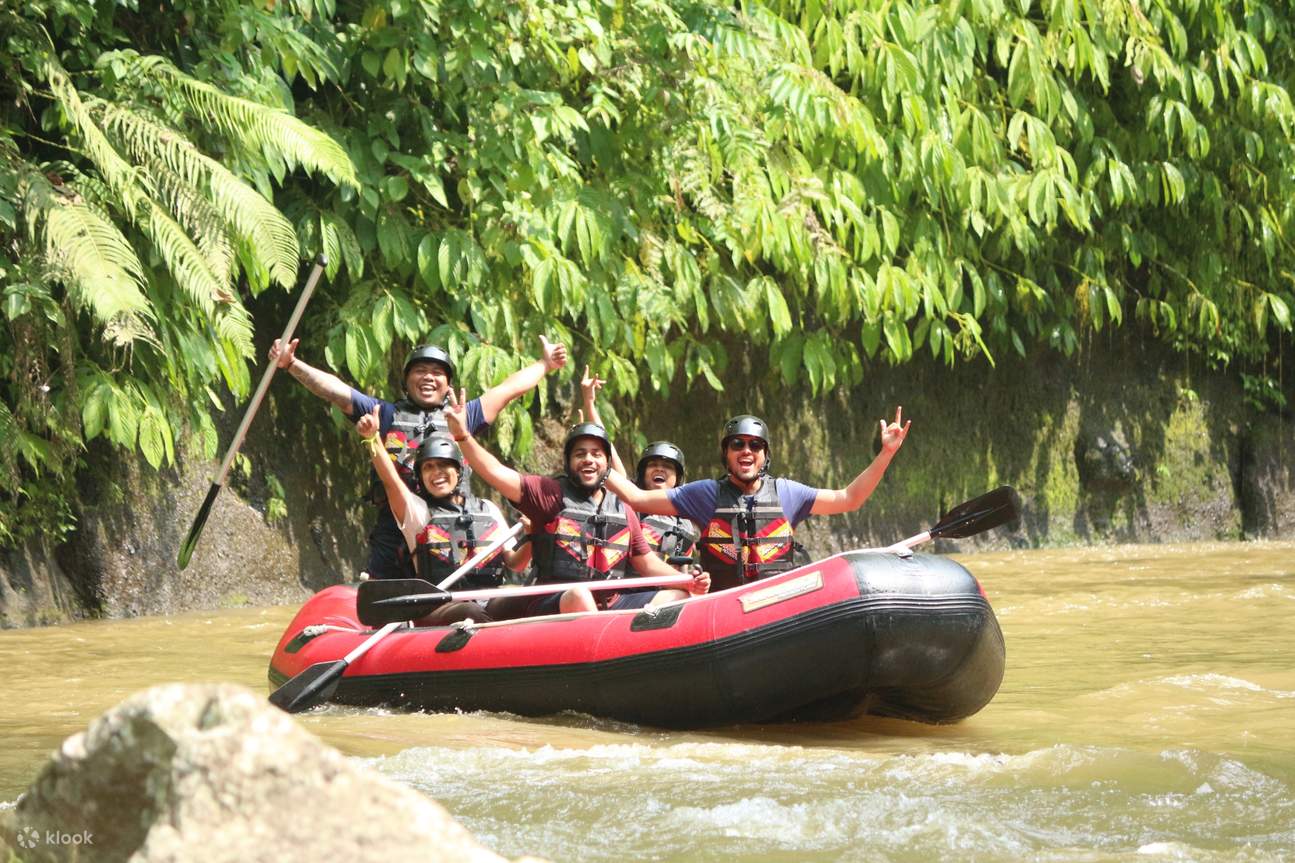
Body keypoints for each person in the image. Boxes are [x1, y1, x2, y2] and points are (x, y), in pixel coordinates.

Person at [269, 335, 567, 578]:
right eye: (420, 371)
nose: (428, 377)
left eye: (437, 372)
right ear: (407, 380)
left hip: (452, 528)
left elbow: (508, 390)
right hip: (397, 526)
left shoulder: (464, 416)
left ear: (448, 384)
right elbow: (337, 392)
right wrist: (292, 364)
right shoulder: (385, 415)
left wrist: (544, 364)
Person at [443, 393, 710, 615]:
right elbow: (496, 473)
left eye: (596, 454)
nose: (588, 460)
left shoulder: (622, 507)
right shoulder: (548, 493)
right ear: (569, 462)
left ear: (607, 463)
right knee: (579, 595)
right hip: (557, 600)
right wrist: (464, 437)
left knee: (677, 593)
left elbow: (647, 563)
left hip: (610, 604)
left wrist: (688, 581)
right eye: (580, 454)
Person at [604, 409, 911, 592]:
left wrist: (886, 454)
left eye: (755, 445)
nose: (746, 451)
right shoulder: (704, 494)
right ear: (726, 454)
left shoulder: (787, 493)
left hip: (775, 602)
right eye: (737, 444)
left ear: (765, 455)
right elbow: (637, 497)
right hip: (722, 606)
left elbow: (849, 498)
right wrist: (593, 459)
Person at [357, 408, 526, 624]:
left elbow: (515, 564)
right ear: (421, 477)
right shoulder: (417, 512)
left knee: (523, 601)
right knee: (470, 612)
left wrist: (529, 537)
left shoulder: (488, 509)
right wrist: (373, 439)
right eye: (428, 467)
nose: (436, 472)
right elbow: (391, 482)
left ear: (458, 471)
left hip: (488, 601)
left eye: (444, 465)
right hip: (438, 607)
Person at [579, 366, 696, 564]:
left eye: (667, 467)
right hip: (631, 589)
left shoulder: (686, 519)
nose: (659, 469)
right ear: (642, 473)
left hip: (670, 590)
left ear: (678, 478)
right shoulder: (630, 502)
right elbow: (608, 449)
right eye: (653, 465)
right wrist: (589, 403)